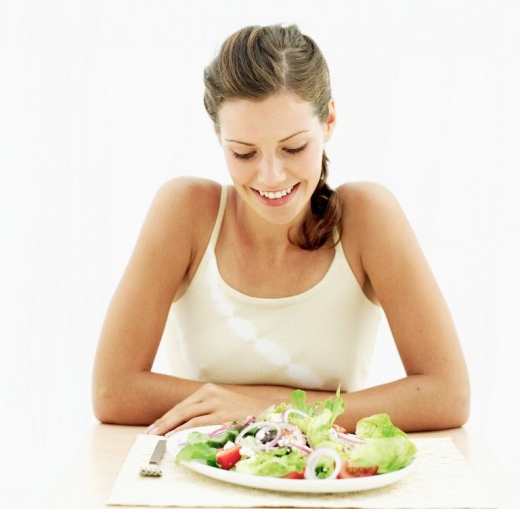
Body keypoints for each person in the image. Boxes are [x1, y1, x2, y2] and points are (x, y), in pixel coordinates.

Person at [92, 24, 470, 437]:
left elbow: (447, 395)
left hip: (323, 471)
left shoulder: (367, 218)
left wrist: (267, 409)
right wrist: (277, 409)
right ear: (218, 136)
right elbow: (113, 390)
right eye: (243, 153)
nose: (270, 176)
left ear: (329, 121)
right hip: (200, 468)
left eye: (294, 148)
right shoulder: (186, 212)